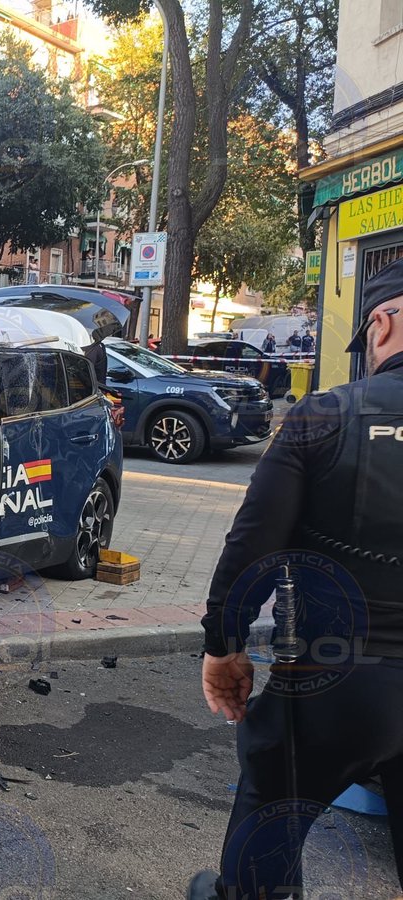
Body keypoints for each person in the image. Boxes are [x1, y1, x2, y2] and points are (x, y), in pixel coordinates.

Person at [187, 258, 403, 900]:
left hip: (329, 682)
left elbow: (254, 545)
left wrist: (223, 645)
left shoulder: (325, 417)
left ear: (383, 322)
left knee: (270, 817)